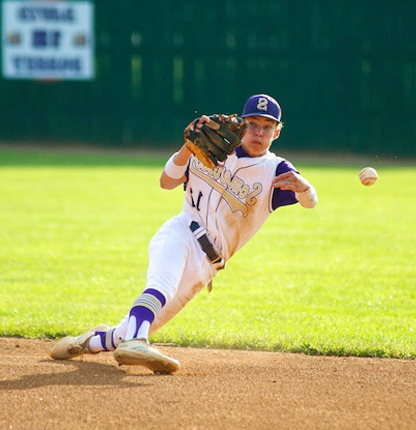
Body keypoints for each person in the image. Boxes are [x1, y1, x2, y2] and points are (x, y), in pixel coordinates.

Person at [49, 94, 318, 373]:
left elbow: (311, 202)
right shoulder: (210, 147)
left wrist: (303, 186)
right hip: (182, 232)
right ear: (241, 124)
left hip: (207, 266)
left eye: (266, 126)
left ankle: (87, 342)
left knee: (131, 327)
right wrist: (187, 148)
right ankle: (137, 341)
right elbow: (166, 182)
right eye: (252, 124)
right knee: (160, 288)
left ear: (276, 132)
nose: (258, 132)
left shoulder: (276, 170)